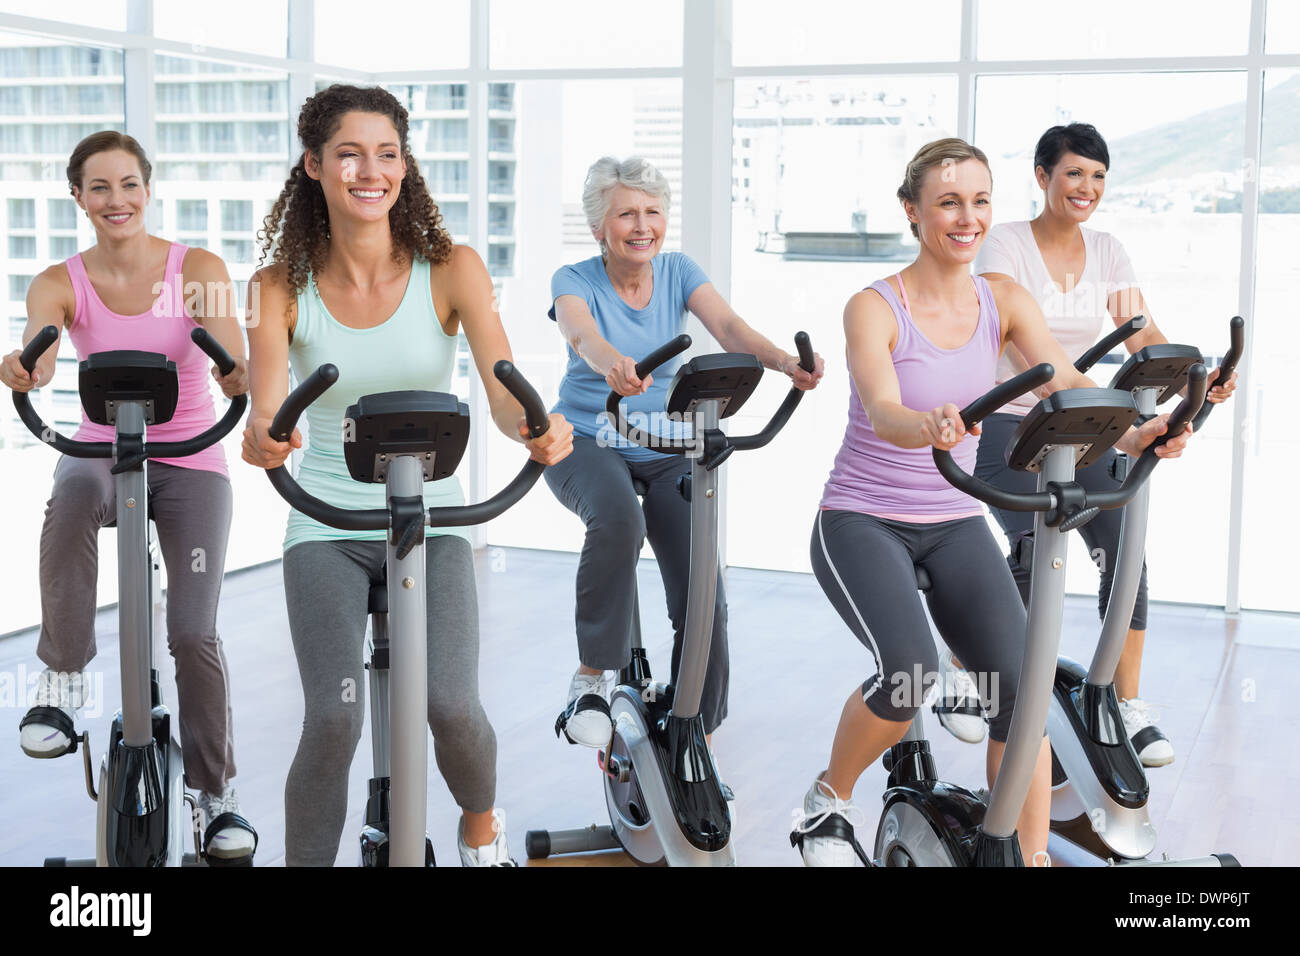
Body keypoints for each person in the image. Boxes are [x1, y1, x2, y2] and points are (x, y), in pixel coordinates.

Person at [791, 138, 1192, 867]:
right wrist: (929, 426)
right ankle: (826, 802)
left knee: (1022, 693)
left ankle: (1025, 855)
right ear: (912, 212)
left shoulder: (1002, 300)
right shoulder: (872, 307)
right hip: (861, 518)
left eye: (979, 201)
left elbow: (1063, 380)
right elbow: (882, 408)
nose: (967, 217)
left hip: (952, 520)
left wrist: (1137, 435)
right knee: (910, 673)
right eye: (948, 201)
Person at [241, 84, 572, 867]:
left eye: (387, 153)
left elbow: (500, 388)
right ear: (314, 165)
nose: (370, 170)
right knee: (334, 717)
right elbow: (265, 407)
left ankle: (482, 825)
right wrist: (263, 438)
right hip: (325, 524)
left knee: (450, 704)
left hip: (434, 523)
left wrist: (532, 424)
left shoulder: (450, 269)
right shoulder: (277, 286)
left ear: (405, 167)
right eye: (349, 153)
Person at [1, 131, 256, 862]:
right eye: (100, 188)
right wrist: (26, 367)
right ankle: (64, 680)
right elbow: (41, 348)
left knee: (192, 633)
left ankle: (215, 797)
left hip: (191, 461)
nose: (118, 201)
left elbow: (228, 343)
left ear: (148, 190)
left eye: (129, 185)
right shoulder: (61, 278)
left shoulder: (196, 266)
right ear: (78, 198)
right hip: (101, 451)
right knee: (72, 494)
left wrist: (238, 372)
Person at [971, 122, 1237, 766]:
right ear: (1042, 177)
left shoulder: (1109, 250)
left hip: (1086, 424)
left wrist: (1197, 380)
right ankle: (975, 673)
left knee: (1125, 549)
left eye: (1097, 176)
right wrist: (1116, 416)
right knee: (1036, 543)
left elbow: (1143, 338)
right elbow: (1014, 341)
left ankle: (1120, 699)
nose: (1086, 187)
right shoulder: (1004, 244)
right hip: (1012, 421)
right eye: (1073, 174)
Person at [546, 156, 824, 749]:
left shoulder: (677, 270)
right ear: (600, 226)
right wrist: (610, 364)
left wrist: (783, 361)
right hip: (589, 437)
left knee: (703, 580)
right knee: (618, 518)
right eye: (626, 214)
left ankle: (696, 717)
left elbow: (727, 326)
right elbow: (580, 333)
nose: (642, 225)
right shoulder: (573, 279)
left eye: (653, 212)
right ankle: (591, 680)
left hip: (666, 441)